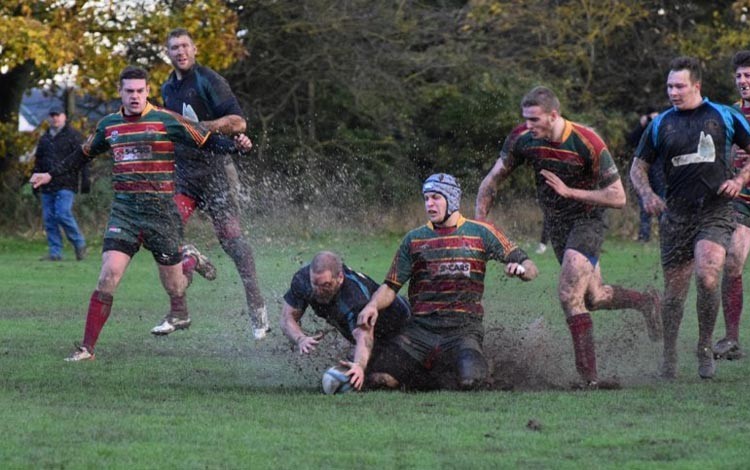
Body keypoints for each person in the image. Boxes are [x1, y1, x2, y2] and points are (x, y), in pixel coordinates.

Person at [29, 66, 253, 361]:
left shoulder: (165, 120)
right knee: (108, 274)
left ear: (147, 92)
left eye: (139, 91)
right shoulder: (109, 125)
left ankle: (189, 260)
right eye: (129, 91)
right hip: (125, 213)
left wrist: (238, 148)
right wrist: (49, 175)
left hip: (161, 213)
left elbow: (206, 140)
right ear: (120, 93)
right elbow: (82, 155)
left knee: (176, 286)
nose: (134, 96)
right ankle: (87, 348)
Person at [476, 86, 662, 388]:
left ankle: (588, 380)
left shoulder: (587, 142)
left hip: (589, 219)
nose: (528, 126)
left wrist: (569, 191)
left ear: (553, 115)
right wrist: (480, 224)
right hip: (558, 223)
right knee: (593, 296)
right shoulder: (523, 138)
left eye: (535, 120)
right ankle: (646, 301)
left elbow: (618, 197)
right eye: (525, 119)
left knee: (568, 294)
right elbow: (493, 179)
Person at [630, 56, 750, 379]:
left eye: (679, 86)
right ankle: (669, 354)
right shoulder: (660, 123)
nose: (673, 92)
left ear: (697, 86)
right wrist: (648, 195)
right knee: (674, 294)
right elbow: (637, 168)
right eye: (669, 86)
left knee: (708, 273)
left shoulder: (725, 115)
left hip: (716, 210)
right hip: (676, 214)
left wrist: (738, 180)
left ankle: (705, 346)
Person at [357, 174, 539, 391]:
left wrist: (520, 271)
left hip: (463, 330)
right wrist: (372, 306)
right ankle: (427, 371)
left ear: (451, 200)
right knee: (379, 380)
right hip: (420, 330)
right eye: (426, 198)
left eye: (435, 197)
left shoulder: (481, 232)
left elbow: (530, 267)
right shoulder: (414, 239)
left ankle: (465, 364)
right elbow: (390, 286)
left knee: (471, 383)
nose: (429, 204)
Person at [150, 27, 268, 341]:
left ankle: (257, 305)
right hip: (185, 175)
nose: (180, 52)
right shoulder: (167, 88)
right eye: (174, 47)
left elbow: (238, 122)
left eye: (185, 46)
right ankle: (179, 306)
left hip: (216, 172)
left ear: (195, 48)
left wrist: (198, 128)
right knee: (165, 234)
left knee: (232, 240)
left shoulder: (209, 80)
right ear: (168, 52)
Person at [280, 251, 411, 390]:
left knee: (380, 380)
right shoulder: (303, 280)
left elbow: (364, 337)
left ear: (340, 278)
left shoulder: (354, 299)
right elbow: (287, 318)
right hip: (371, 333)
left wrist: (359, 366)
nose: (318, 291)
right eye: (315, 284)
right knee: (351, 372)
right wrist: (300, 339)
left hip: (402, 328)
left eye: (326, 285)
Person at [715, 50, 750, 361]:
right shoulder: (731, 113)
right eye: (738, 76)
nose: (742, 81)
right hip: (745, 201)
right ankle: (731, 339)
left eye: (748, 75)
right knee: (733, 260)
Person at [32, 104, 89, 261]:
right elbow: (38, 162)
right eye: (52, 115)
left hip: (66, 183)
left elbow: (83, 158)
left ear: (64, 116)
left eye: (58, 115)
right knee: (49, 219)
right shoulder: (44, 139)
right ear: (49, 118)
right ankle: (55, 253)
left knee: (62, 213)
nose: (55, 118)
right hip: (46, 184)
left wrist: (85, 180)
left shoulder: (74, 136)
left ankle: (79, 242)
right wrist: (34, 180)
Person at [627, 108, 665, 243]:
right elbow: (631, 140)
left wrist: (658, 121)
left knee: (661, 198)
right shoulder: (642, 129)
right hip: (644, 166)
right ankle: (644, 235)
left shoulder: (664, 124)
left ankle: (664, 234)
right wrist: (641, 125)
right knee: (645, 201)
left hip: (659, 167)